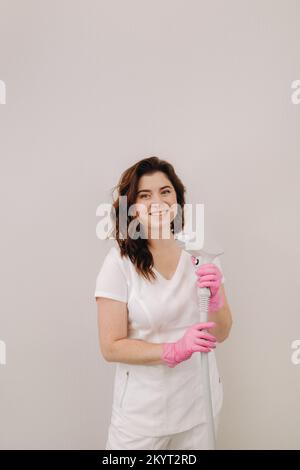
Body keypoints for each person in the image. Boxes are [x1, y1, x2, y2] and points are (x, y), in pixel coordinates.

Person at [94, 156, 233, 450]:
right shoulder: (119, 265)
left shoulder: (202, 255)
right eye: (145, 195)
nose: (157, 201)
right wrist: (172, 350)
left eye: (165, 191)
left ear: (178, 200)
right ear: (132, 208)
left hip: (200, 406)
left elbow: (221, 332)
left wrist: (216, 297)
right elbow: (110, 346)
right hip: (142, 418)